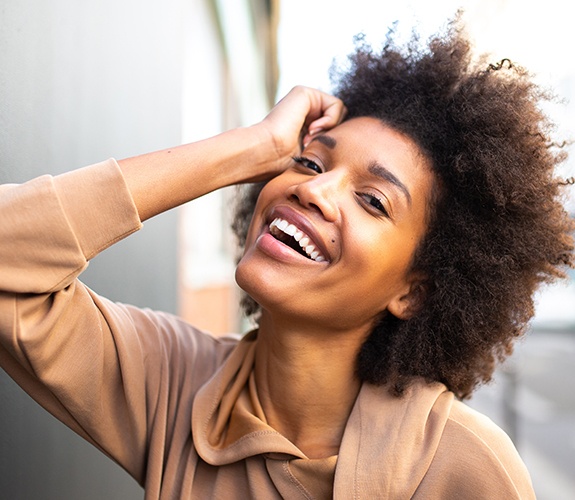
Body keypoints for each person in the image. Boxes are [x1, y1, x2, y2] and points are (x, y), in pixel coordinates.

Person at [1, 18, 573, 499]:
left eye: (373, 200)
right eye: (311, 163)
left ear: (414, 291)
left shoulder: (462, 468)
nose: (312, 190)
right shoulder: (173, 383)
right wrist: (250, 148)